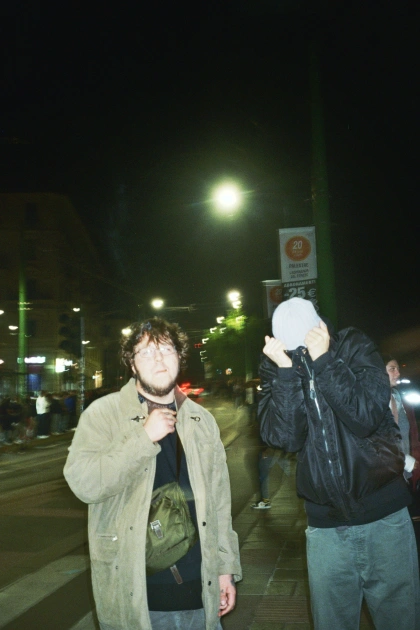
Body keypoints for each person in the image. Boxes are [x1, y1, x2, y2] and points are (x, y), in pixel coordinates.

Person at [64, 317, 241, 630]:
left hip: (200, 594)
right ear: (132, 365)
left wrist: (225, 569)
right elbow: (84, 484)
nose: (158, 359)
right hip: (137, 594)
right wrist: (143, 438)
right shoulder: (103, 414)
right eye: (146, 352)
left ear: (179, 357)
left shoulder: (201, 420)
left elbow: (220, 503)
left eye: (166, 350)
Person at [258, 297, 420, 630]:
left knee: (401, 621)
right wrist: (285, 372)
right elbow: (286, 438)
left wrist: (325, 361)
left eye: (304, 345)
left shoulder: (354, 346)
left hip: (385, 519)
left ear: (320, 327)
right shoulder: (275, 365)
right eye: (293, 349)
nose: (300, 353)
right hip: (326, 529)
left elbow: (365, 417)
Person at [385, 358, 420, 491]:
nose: (398, 373)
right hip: (388, 473)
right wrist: (405, 460)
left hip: (403, 471)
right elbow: (376, 440)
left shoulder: (397, 398)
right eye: (392, 369)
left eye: (398, 369)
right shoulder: (375, 402)